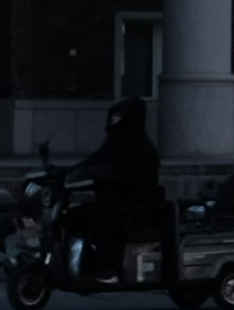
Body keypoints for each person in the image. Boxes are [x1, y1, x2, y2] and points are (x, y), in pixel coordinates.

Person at [62, 98, 163, 274]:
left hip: (131, 207)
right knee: (71, 217)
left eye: (118, 116)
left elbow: (129, 175)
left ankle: (109, 268)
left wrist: (102, 174)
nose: (113, 121)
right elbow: (93, 161)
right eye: (113, 116)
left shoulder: (142, 147)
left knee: (102, 222)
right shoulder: (113, 142)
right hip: (109, 200)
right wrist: (66, 173)